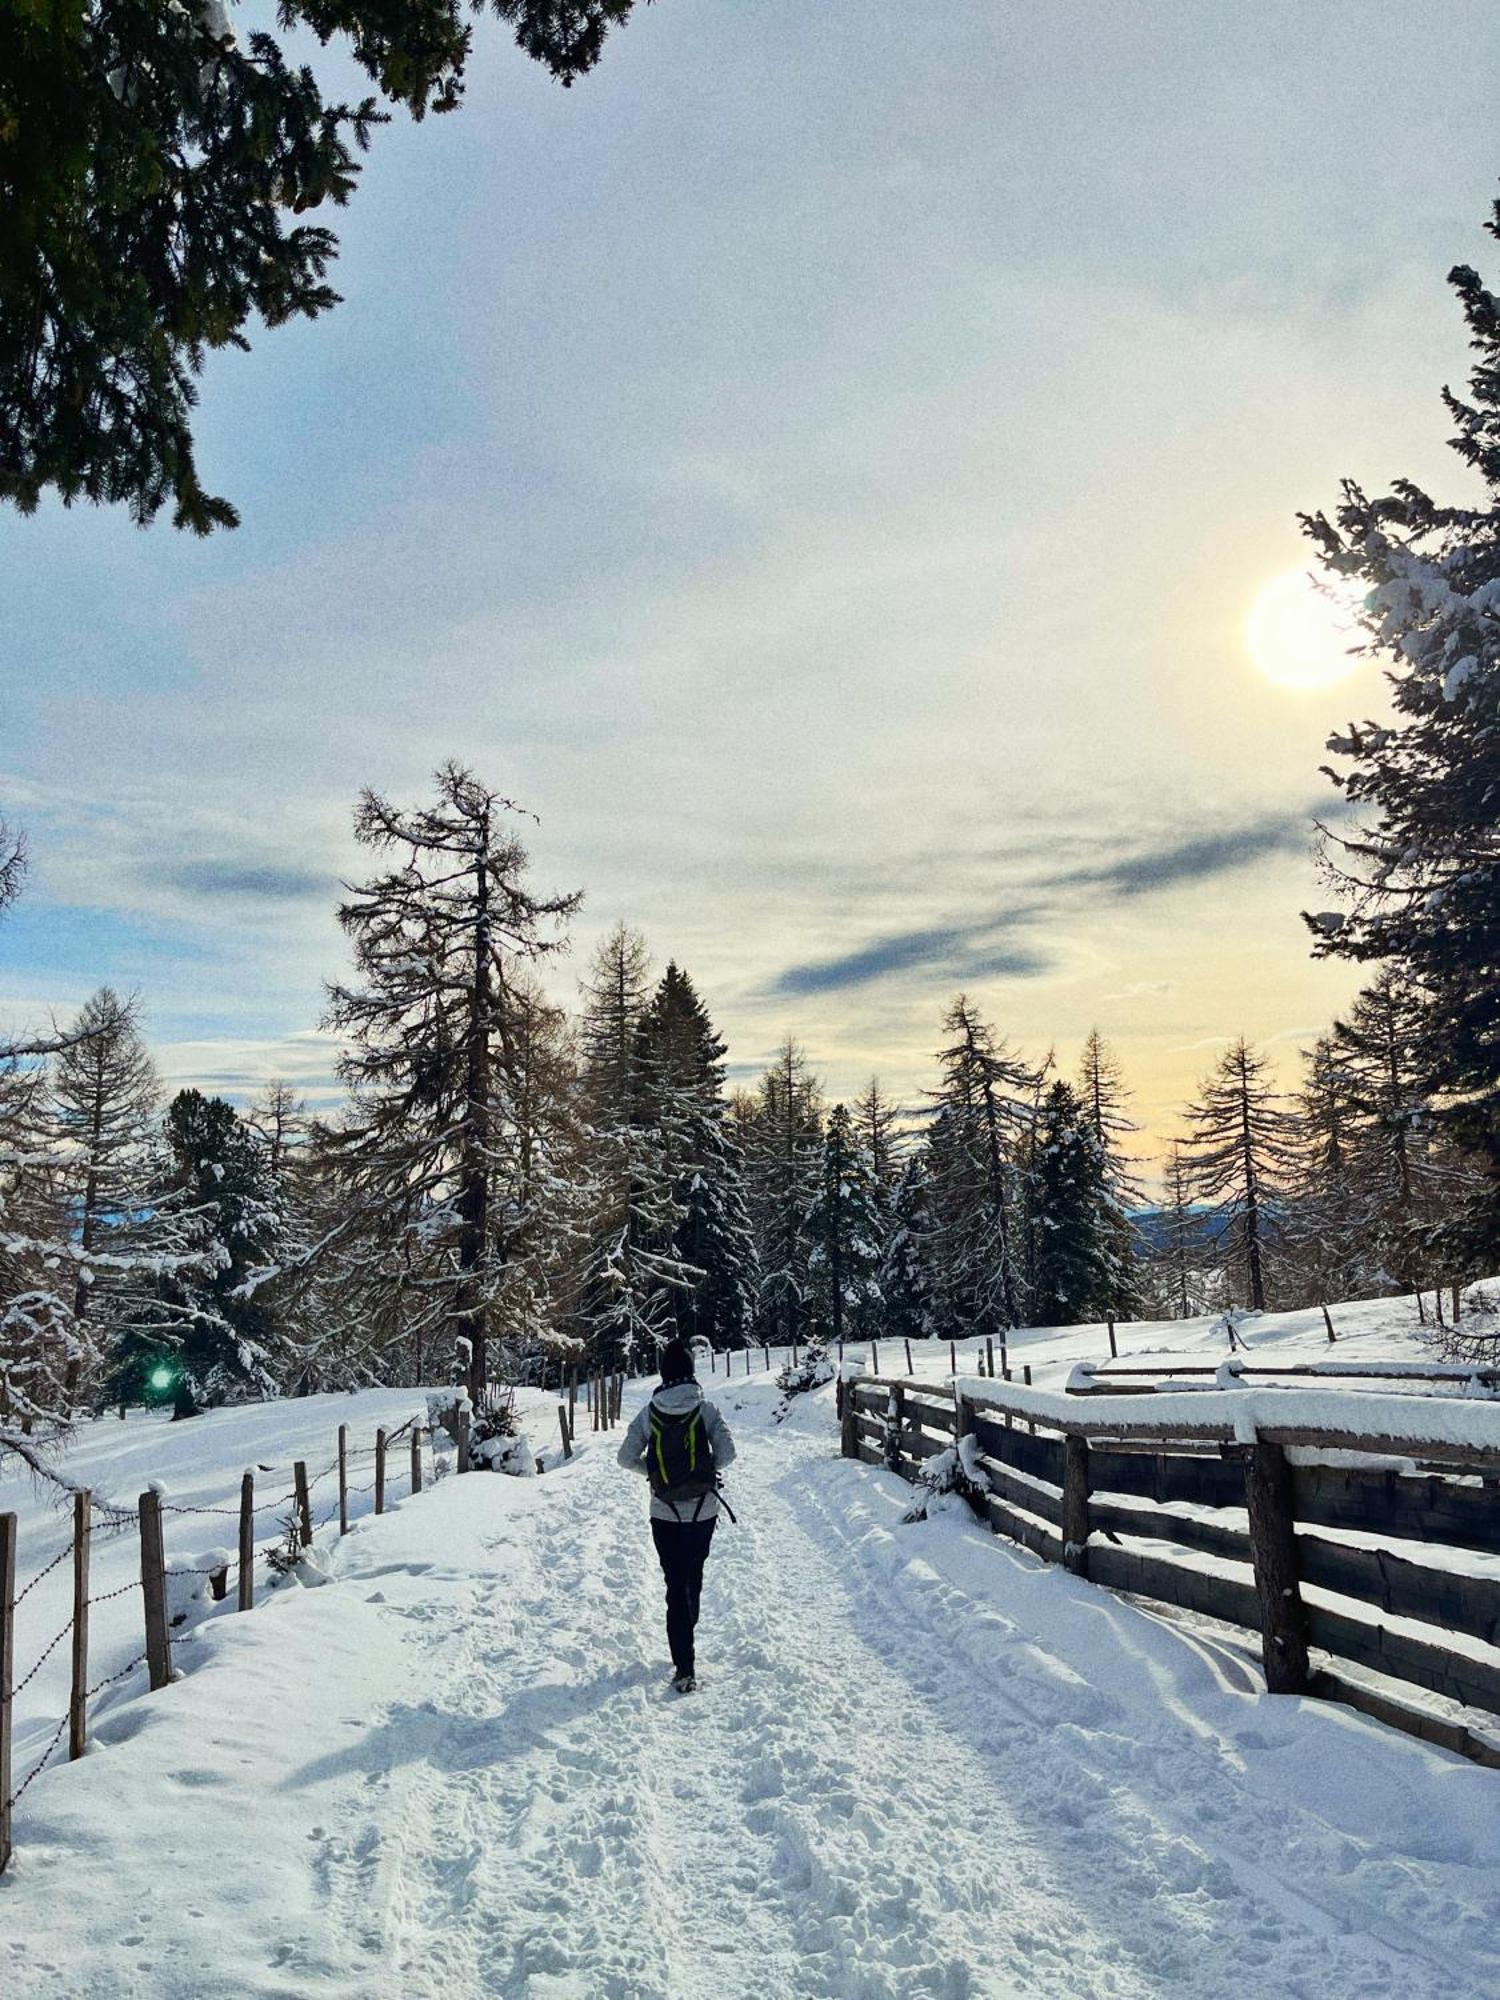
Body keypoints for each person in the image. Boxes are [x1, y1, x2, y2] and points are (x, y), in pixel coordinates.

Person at [617, 1338, 736, 1693]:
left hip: (664, 1511)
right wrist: (703, 1472)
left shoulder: (649, 1413)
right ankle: (687, 1636)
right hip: (704, 1508)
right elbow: (729, 1454)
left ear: (663, 1373)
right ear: (691, 1372)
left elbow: (625, 1459)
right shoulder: (706, 1409)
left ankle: (683, 1663)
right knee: (693, 1575)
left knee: (674, 1582)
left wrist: (653, 1474)